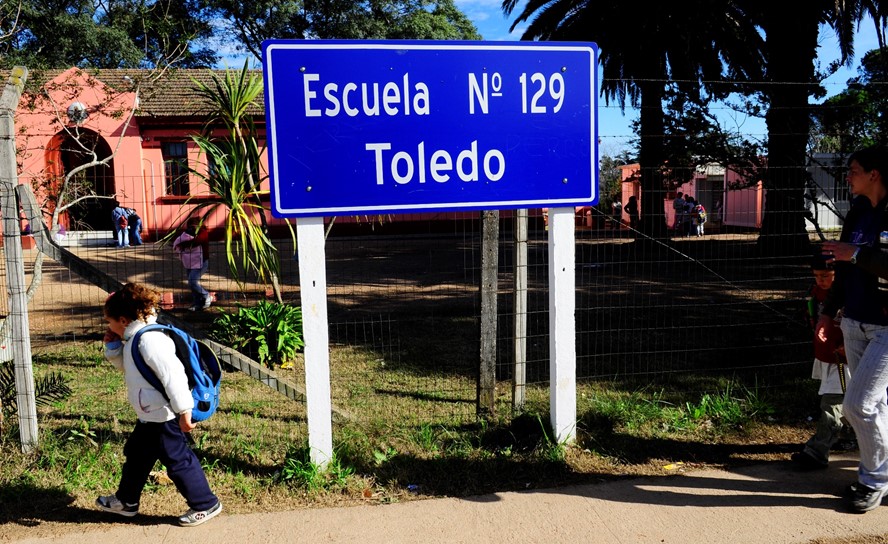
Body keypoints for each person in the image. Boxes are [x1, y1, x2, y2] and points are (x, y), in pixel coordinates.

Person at [97, 283, 222, 526]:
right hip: (151, 415)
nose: (108, 326)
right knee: (137, 456)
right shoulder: (135, 339)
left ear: (123, 320)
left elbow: (173, 377)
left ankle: (206, 504)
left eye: (109, 322)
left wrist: (184, 411)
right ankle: (126, 501)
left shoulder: (150, 340)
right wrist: (113, 349)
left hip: (165, 416)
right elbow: (133, 368)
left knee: (178, 461)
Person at [819, 145, 888, 513]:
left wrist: (857, 254)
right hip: (855, 321)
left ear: (874, 174)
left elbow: (856, 256)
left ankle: (873, 480)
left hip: (885, 327)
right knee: (877, 406)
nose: (848, 176)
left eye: (854, 170)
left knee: (858, 405)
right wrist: (828, 313)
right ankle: (881, 476)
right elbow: (843, 265)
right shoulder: (859, 210)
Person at [792, 255, 853, 470]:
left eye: (826, 275)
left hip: (844, 359)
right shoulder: (816, 293)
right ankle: (851, 437)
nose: (821, 280)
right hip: (826, 356)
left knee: (832, 404)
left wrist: (847, 344)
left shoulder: (849, 295)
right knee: (846, 404)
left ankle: (817, 452)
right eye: (817, 276)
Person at [173, 217, 211, 311]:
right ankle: (197, 303)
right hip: (189, 261)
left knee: (192, 281)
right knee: (192, 284)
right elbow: (179, 240)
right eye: (190, 226)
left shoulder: (203, 232)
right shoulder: (188, 234)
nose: (192, 228)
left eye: (194, 226)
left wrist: (183, 244)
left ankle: (206, 295)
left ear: (199, 225)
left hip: (201, 262)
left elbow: (197, 242)